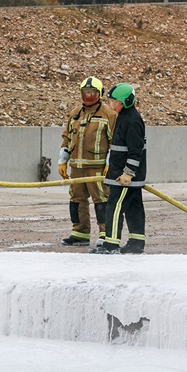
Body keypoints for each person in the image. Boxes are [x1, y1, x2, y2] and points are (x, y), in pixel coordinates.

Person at [58, 76, 118, 247]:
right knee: (76, 200)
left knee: (101, 200)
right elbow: (67, 138)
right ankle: (80, 233)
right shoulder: (75, 114)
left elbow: (114, 141)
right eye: (86, 92)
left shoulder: (109, 115)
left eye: (93, 92)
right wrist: (63, 160)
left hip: (97, 168)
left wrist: (109, 163)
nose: (89, 96)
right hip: (77, 167)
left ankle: (106, 234)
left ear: (100, 94)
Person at [91, 83, 147, 255]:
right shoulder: (124, 117)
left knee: (114, 207)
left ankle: (111, 243)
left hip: (123, 176)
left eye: (114, 101)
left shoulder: (131, 120)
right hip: (122, 174)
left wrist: (128, 173)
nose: (111, 104)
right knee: (133, 207)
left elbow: (135, 150)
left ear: (126, 101)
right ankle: (136, 242)